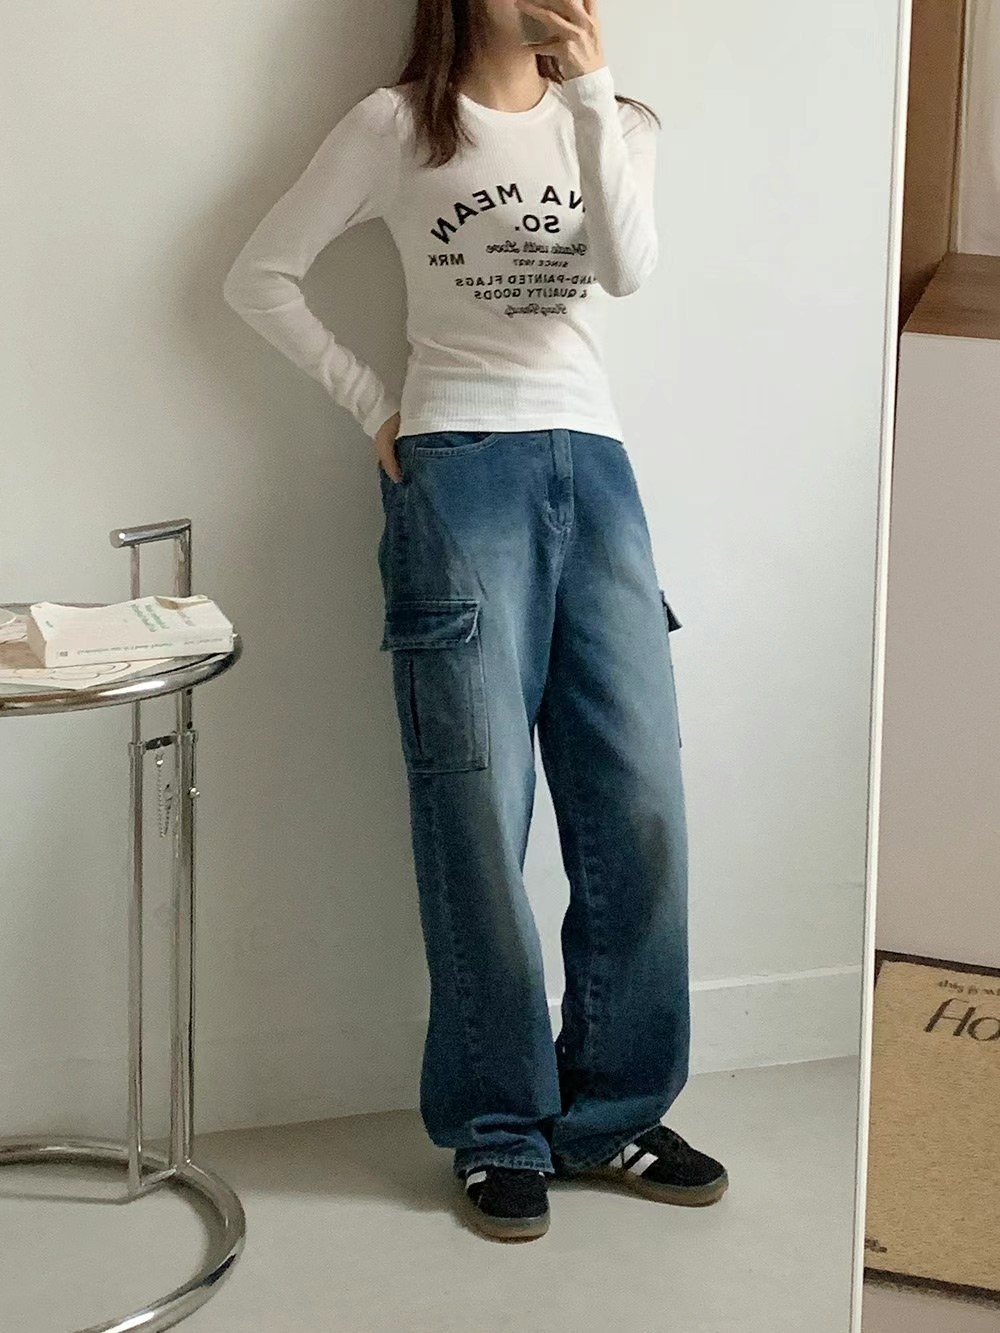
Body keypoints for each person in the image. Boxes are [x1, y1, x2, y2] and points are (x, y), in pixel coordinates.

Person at [223, 0, 728, 1243]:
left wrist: (591, 93)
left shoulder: (619, 121)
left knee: (639, 799)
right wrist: (375, 409)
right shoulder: (398, 124)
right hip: (459, 465)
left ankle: (612, 1111)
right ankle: (499, 1124)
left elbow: (627, 271)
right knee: (478, 808)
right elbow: (258, 277)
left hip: (595, 469)